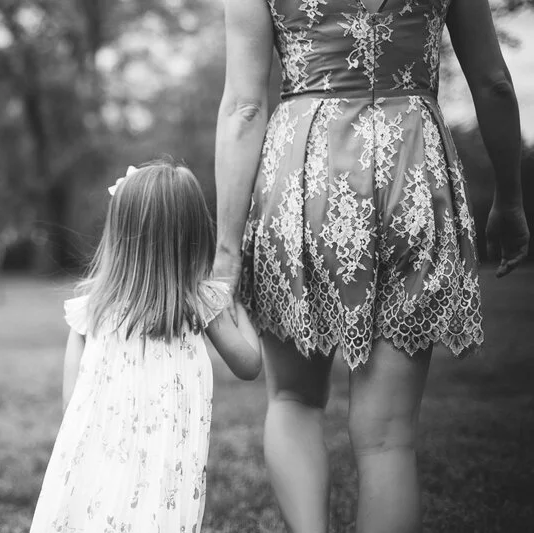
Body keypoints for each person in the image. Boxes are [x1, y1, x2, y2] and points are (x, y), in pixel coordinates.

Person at [213, 0, 529, 532]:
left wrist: (225, 251)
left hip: (303, 178)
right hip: (412, 172)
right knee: (389, 436)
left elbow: (244, 107)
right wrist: (511, 199)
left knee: (293, 399)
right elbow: (494, 82)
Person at [29, 159, 262, 533]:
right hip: (165, 472)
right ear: (193, 232)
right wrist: (238, 307)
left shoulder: (92, 310)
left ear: (119, 234)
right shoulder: (204, 303)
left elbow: (71, 406)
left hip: (98, 465)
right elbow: (250, 366)